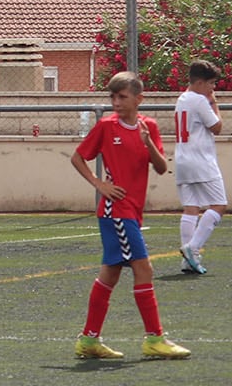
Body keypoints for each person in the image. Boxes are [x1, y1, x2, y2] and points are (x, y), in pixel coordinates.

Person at [70, 72, 191, 360]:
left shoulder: (148, 126)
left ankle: (89, 341)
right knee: (144, 268)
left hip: (133, 211)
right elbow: (78, 157)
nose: (116, 102)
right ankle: (154, 338)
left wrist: (148, 143)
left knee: (110, 274)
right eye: (113, 97)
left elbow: (162, 168)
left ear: (139, 99)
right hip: (116, 211)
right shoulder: (105, 126)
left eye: (122, 97)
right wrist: (100, 184)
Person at [173, 59, 227, 275]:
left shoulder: (182, 98)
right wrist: (214, 102)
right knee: (219, 205)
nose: (213, 88)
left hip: (182, 160)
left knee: (191, 208)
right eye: (211, 83)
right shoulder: (199, 100)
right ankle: (193, 248)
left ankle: (189, 261)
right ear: (200, 82)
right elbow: (217, 127)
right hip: (201, 160)